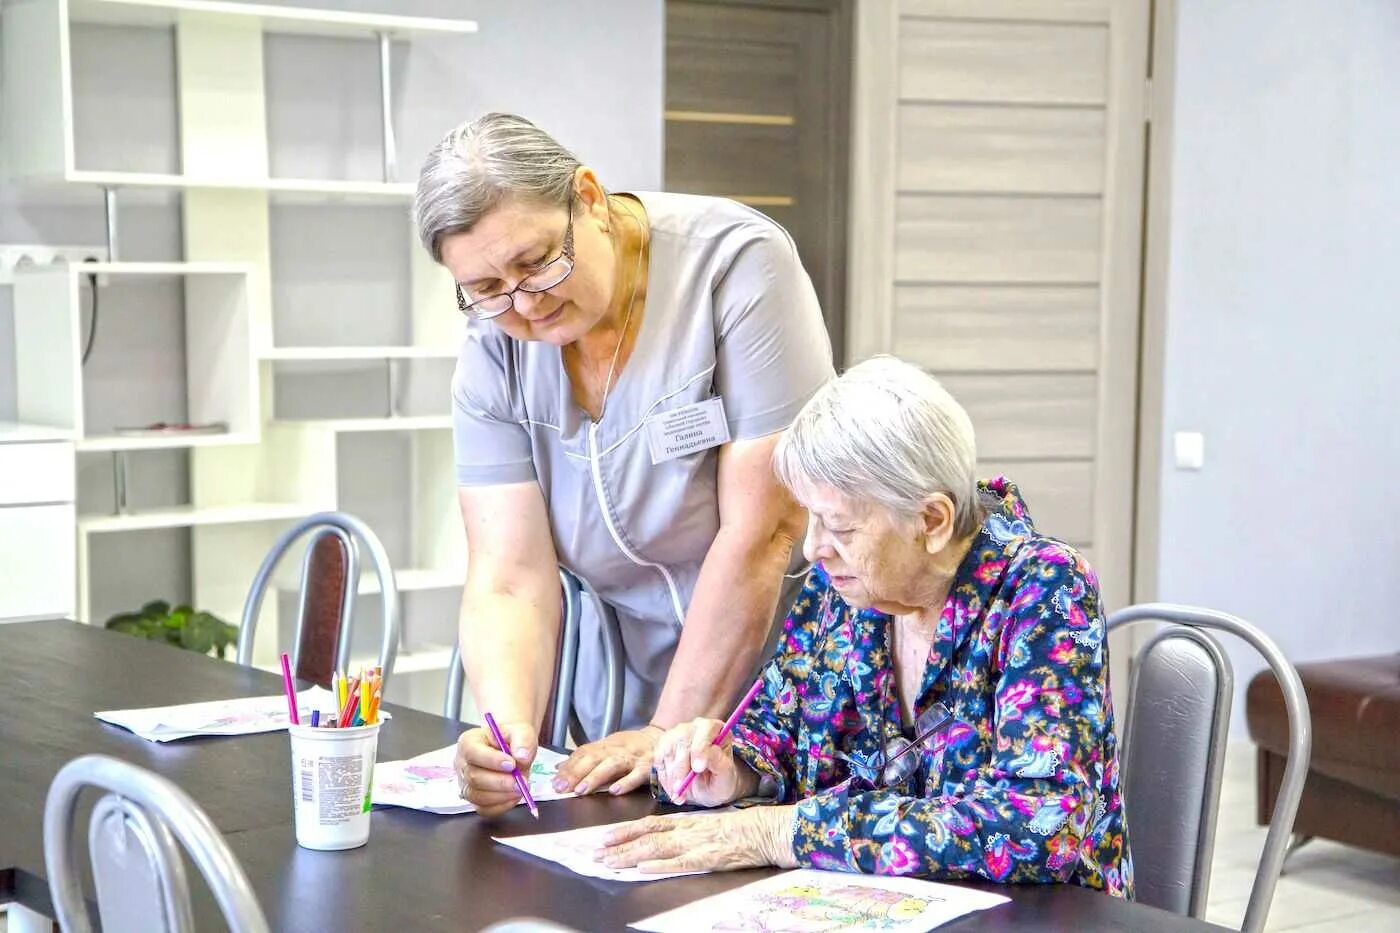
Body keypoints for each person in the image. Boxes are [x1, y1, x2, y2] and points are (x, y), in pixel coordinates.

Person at [414, 113, 834, 813]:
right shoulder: (494, 342)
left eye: (536, 261)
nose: (524, 301)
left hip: (778, 683)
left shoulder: (736, 266)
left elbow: (766, 531)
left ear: (589, 197)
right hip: (621, 693)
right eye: (487, 287)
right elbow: (510, 574)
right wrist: (507, 732)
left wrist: (670, 731)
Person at [597, 357, 1133, 897]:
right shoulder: (846, 586)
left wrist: (785, 831)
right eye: (812, 518)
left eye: (841, 526)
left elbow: (1038, 825)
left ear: (931, 521)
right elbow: (777, 728)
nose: (813, 549)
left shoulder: (1044, 588)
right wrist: (732, 765)